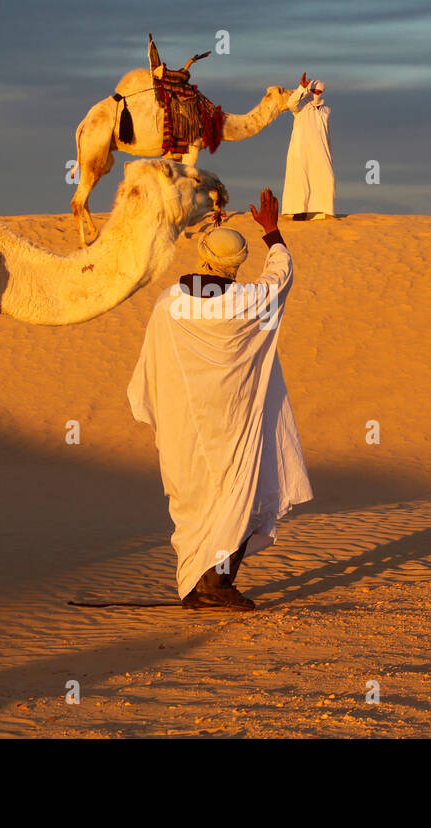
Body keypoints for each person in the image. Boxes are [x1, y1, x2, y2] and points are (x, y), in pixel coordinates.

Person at [127, 188, 313, 610]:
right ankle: (213, 587)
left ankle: (202, 585)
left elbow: (151, 367)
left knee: (195, 503)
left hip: (184, 429)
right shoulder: (250, 301)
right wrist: (272, 232)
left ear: (202, 259)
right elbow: (280, 275)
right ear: (235, 266)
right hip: (234, 426)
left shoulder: (169, 305)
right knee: (238, 498)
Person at [281, 73, 336, 220]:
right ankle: (299, 213)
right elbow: (290, 104)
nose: (316, 95)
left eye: (319, 92)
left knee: (326, 178)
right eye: (314, 92)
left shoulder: (326, 110)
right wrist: (301, 89)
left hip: (321, 150)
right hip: (302, 150)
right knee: (301, 180)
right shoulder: (300, 107)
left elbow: (326, 132)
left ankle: (321, 212)